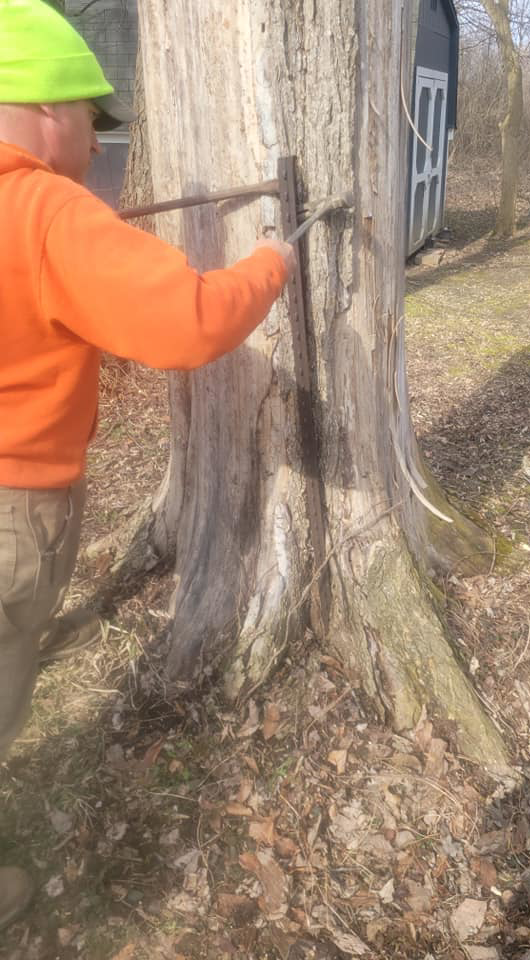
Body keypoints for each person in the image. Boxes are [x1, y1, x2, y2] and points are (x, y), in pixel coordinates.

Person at [0, 0, 296, 931]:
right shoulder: (43, 209)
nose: (96, 143)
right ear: (44, 106)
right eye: (90, 118)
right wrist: (271, 264)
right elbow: (189, 322)